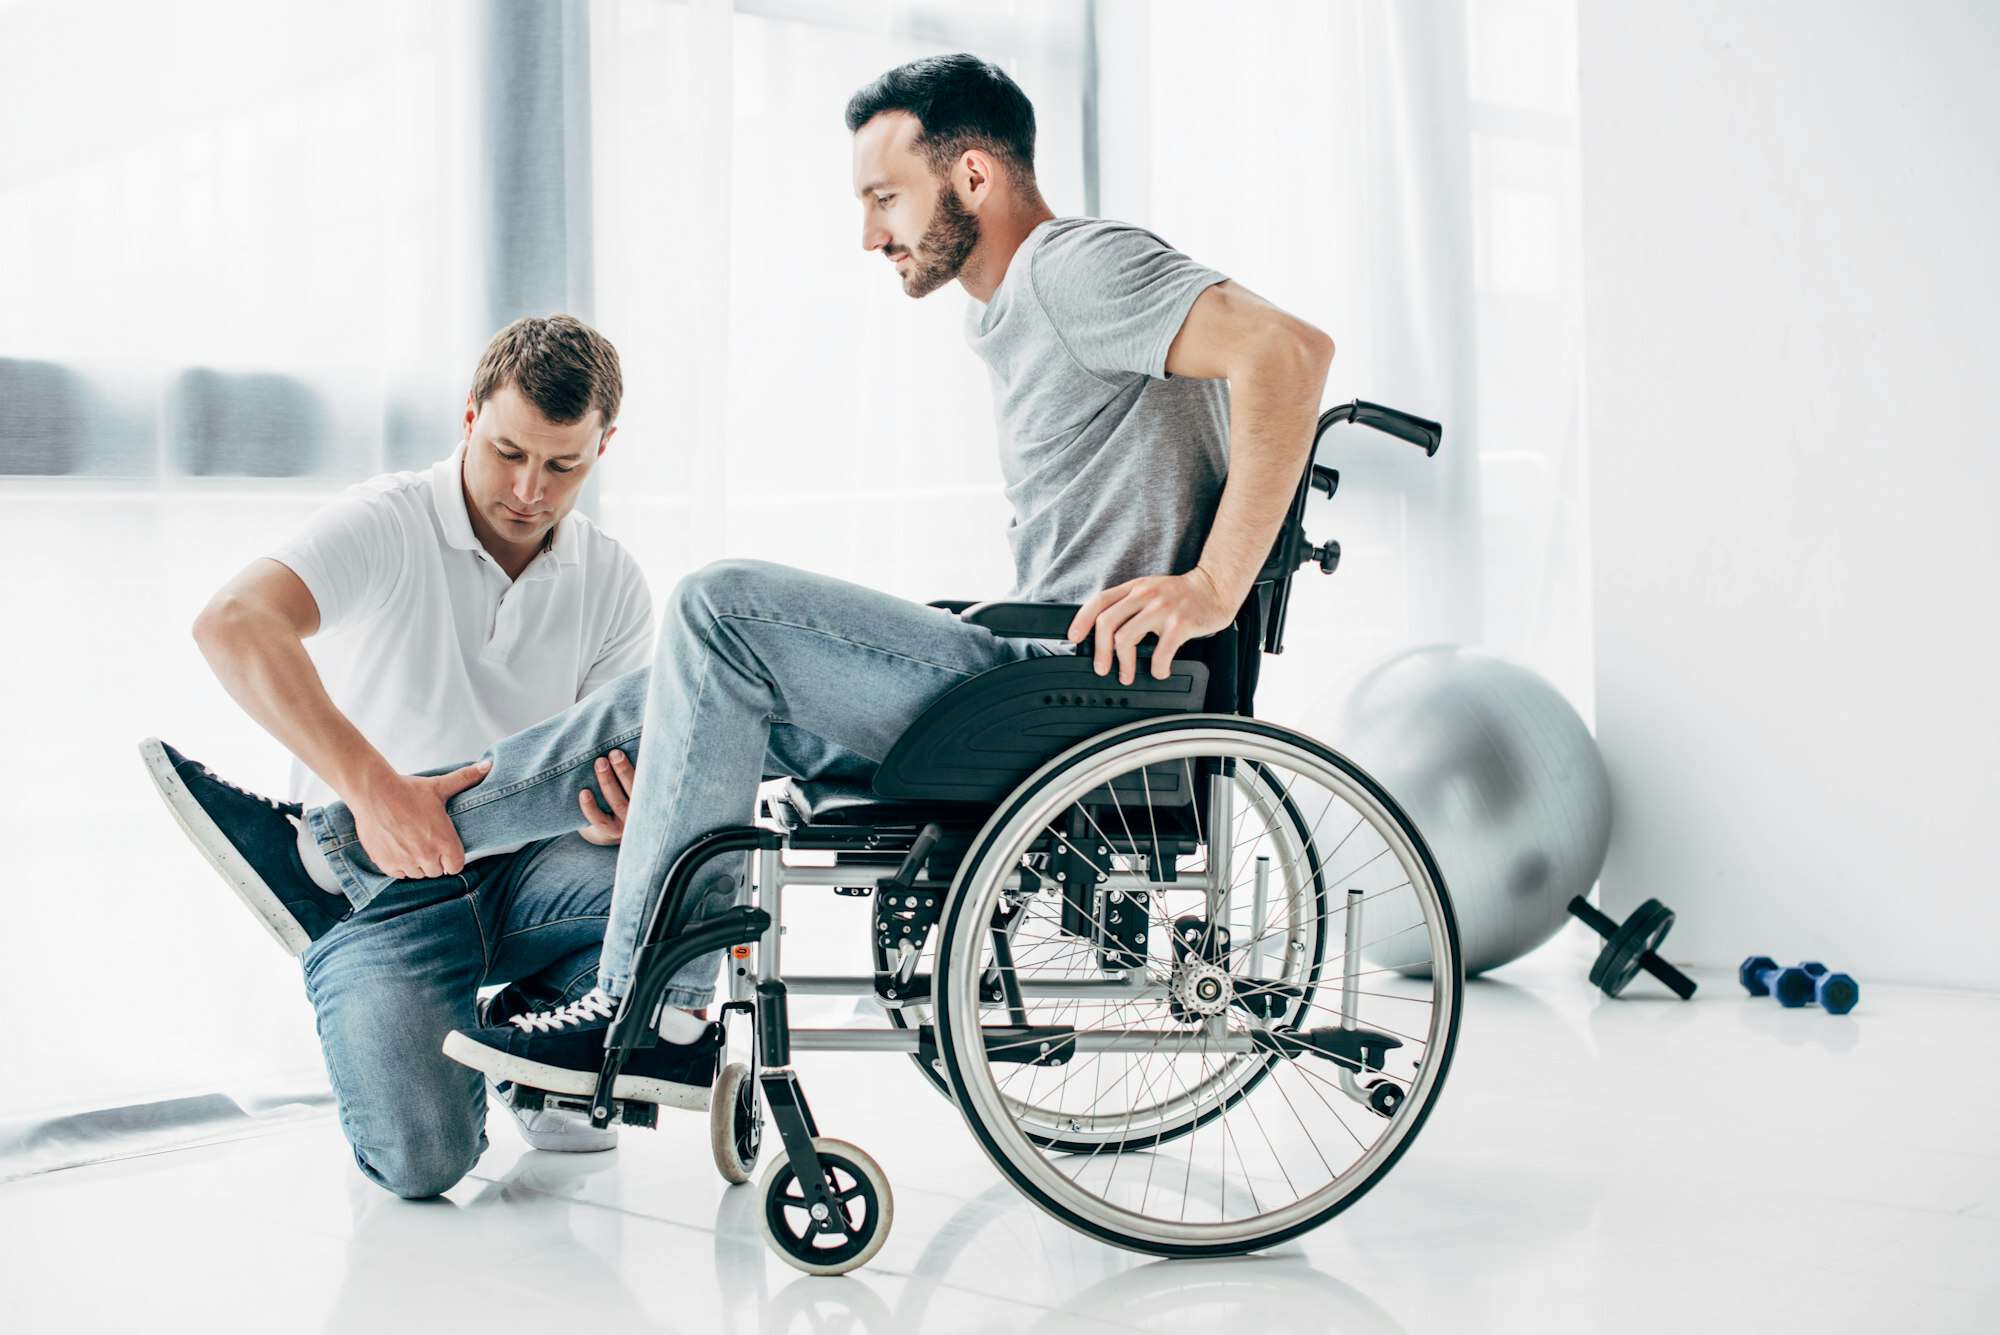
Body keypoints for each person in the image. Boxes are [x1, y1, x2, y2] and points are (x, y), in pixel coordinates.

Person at [161, 52, 1335, 1110]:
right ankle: (343, 850)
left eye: (885, 198)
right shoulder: (1021, 311)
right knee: (673, 695)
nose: (871, 235)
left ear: (971, 178)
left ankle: (647, 1007)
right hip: (1034, 683)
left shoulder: (1076, 265)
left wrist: (1214, 585)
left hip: (1062, 699)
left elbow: (1288, 352)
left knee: (721, 605)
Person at [140, 315, 716, 1199]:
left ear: (604, 447)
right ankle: (341, 852)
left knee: (700, 838)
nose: (528, 488)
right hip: (386, 898)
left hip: (527, 875)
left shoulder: (611, 577)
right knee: (424, 1165)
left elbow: (608, 753)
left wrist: (634, 818)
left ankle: (525, 1026)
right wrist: (373, 790)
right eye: (506, 450)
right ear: (468, 418)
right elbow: (232, 622)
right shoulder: (391, 520)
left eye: (563, 464)